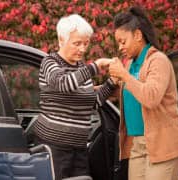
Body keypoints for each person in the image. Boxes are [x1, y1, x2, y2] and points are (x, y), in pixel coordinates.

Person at [32, 14, 116, 179]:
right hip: (53, 147)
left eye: (86, 43)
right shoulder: (50, 63)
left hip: (78, 149)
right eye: (77, 43)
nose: (83, 49)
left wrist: (112, 83)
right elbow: (63, 84)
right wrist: (96, 66)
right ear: (61, 40)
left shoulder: (82, 69)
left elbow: (93, 103)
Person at [108, 6, 178, 180]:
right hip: (138, 144)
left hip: (162, 145)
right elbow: (126, 90)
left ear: (138, 35)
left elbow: (151, 97)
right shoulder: (131, 64)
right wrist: (90, 88)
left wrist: (123, 75)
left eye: (123, 41)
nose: (120, 47)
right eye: (118, 43)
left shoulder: (158, 60)